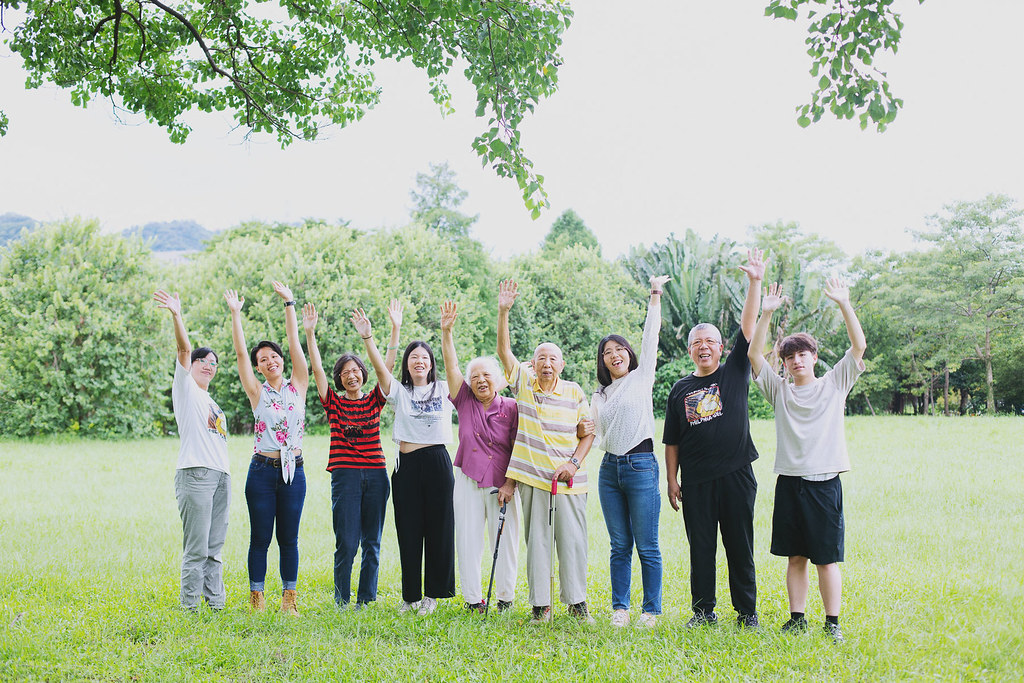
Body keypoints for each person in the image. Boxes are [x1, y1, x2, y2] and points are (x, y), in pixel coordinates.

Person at [748, 278, 866, 643]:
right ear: (782, 364)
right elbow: (754, 354)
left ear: (814, 358)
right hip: (790, 481)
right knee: (794, 556)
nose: (796, 361)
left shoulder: (834, 384)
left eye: (802, 354)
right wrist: (766, 313)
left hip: (825, 482)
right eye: (789, 356)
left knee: (825, 558)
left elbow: (858, 346)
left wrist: (844, 304)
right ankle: (796, 617)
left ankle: (833, 622)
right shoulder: (779, 390)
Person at [662, 248, 766, 629]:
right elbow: (671, 440)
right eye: (697, 343)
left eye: (710, 341)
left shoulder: (736, 369)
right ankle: (703, 612)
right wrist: (671, 480)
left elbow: (749, 327)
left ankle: (747, 612)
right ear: (689, 350)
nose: (704, 346)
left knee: (740, 547)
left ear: (721, 348)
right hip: (698, 480)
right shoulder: (679, 390)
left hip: (737, 474)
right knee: (701, 549)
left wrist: (754, 281)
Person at [495, 279, 595, 624]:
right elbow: (504, 353)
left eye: (553, 358)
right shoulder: (523, 383)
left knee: (572, 543)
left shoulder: (574, 392)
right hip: (535, 478)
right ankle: (540, 606)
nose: (546, 363)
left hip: (571, 480)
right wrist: (503, 312)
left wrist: (573, 462)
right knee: (537, 542)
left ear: (562, 364)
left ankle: (577, 603)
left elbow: (587, 435)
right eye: (541, 358)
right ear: (533, 364)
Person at [353, 306, 456, 616]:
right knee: (408, 530)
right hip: (407, 466)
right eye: (413, 358)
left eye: (424, 357)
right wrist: (371, 336)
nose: (419, 361)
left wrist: (446, 333)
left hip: (438, 461)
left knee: (439, 530)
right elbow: (379, 366)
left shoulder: (445, 387)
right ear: (407, 365)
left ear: (431, 363)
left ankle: (432, 596)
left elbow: (454, 364)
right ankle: (410, 596)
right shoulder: (398, 391)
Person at [302, 300, 403, 609]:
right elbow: (316, 368)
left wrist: (392, 329)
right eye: (345, 372)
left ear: (362, 373)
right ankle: (342, 600)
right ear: (339, 378)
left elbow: (385, 365)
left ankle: (365, 599)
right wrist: (309, 333)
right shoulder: (333, 402)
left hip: (375, 476)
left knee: (372, 542)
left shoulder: (375, 400)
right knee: (346, 542)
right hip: (344, 477)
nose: (351, 375)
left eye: (355, 370)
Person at [584, 275, 670, 628]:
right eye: (607, 352)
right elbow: (593, 433)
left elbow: (652, 336)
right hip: (609, 470)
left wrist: (655, 295)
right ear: (603, 362)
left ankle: (651, 610)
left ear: (629, 354)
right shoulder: (599, 396)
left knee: (647, 545)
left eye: (619, 349)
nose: (614, 355)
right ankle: (620, 608)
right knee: (619, 544)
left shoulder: (642, 376)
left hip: (641, 466)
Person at [225, 282, 309, 615]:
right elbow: (240, 354)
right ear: (259, 367)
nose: (270, 361)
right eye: (264, 360)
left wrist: (289, 303)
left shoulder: (298, 385)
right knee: (260, 538)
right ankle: (256, 598)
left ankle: (289, 599)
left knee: (289, 539)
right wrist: (236, 315)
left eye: (273, 357)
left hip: (294, 471)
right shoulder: (256, 391)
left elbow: (293, 344)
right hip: (261, 471)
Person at [439, 300, 521, 614]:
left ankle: (505, 598)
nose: (481, 381)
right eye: (475, 378)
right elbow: (452, 367)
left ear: (498, 379)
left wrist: (511, 484)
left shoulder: (511, 407)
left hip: (502, 483)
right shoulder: (464, 401)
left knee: (506, 541)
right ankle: (474, 599)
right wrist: (447, 333)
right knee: (469, 540)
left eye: (486, 375)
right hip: (468, 479)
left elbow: (518, 448)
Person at [154, 289, 231, 612]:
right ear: (192, 365)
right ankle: (189, 609)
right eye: (203, 361)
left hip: (220, 476)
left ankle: (216, 606)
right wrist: (176, 314)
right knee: (197, 548)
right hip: (195, 474)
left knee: (215, 548)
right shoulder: (185, 388)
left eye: (214, 363)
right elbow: (183, 347)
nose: (209, 366)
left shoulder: (212, 402)